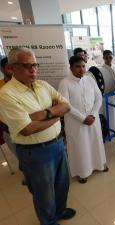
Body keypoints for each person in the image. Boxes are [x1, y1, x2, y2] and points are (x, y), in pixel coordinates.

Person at [0, 48, 75, 225]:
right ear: (11, 68)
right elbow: (27, 129)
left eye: (34, 65)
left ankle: (60, 210)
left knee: (62, 184)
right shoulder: (6, 95)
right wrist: (56, 115)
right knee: (44, 194)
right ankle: (48, 221)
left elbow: (66, 105)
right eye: (27, 66)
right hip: (35, 152)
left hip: (57, 144)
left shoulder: (42, 85)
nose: (33, 70)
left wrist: (44, 114)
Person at [58, 56, 108, 184]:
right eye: (77, 66)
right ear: (71, 67)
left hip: (92, 119)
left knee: (95, 142)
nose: (81, 69)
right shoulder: (65, 83)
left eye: (83, 66)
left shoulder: (90, 80)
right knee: (80, 146)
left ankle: (99, 164)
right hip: (76, 122)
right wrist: (82, 118)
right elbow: (66, 105)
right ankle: (82, 172)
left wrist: (92, 115)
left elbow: (98, 98)